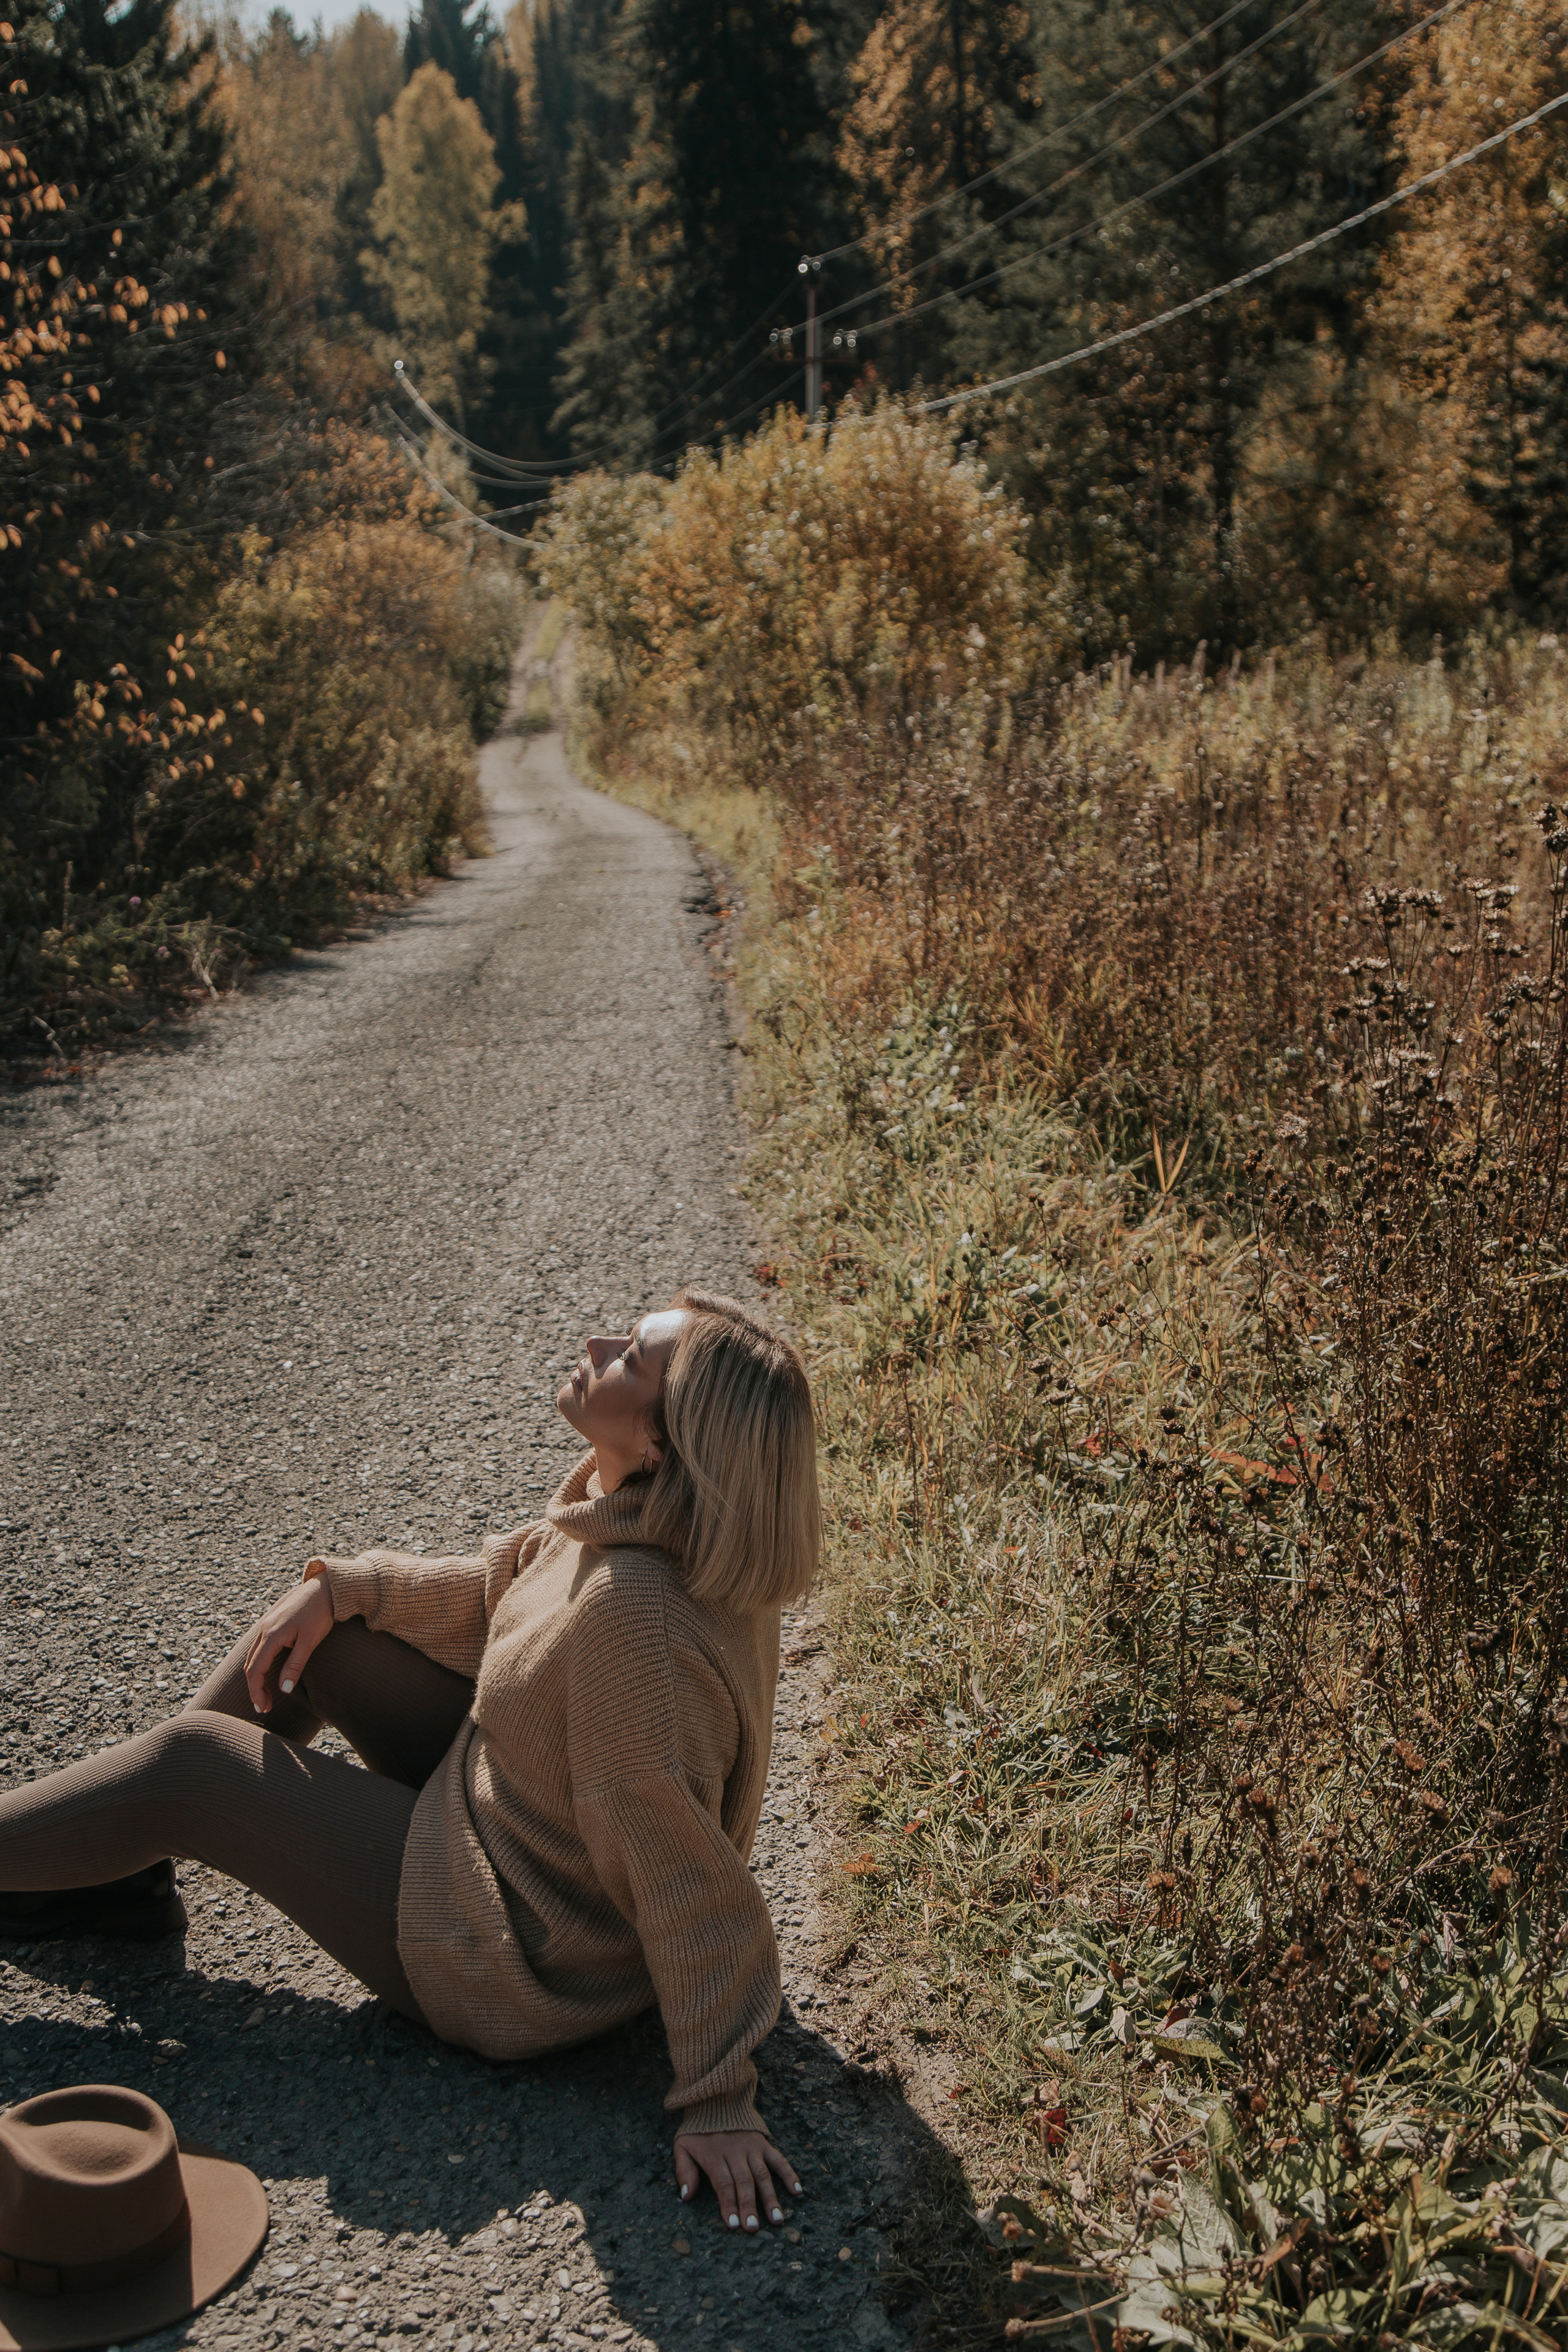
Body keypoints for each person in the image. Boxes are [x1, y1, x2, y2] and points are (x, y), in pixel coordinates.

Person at [0, 1288, 819, 2231]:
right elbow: (499, 1595)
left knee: (197, 1768)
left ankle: (106, 1843)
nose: (597, 1343)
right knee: (317, 1636)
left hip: (517, 1947)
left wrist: (718, 2098)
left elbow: (682, 1873)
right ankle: (117, 1873)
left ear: (663, 1444)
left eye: (630, 1359)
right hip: (514, 1814)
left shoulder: (636, 1623)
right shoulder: (644, 1515)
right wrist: (349, 1588)